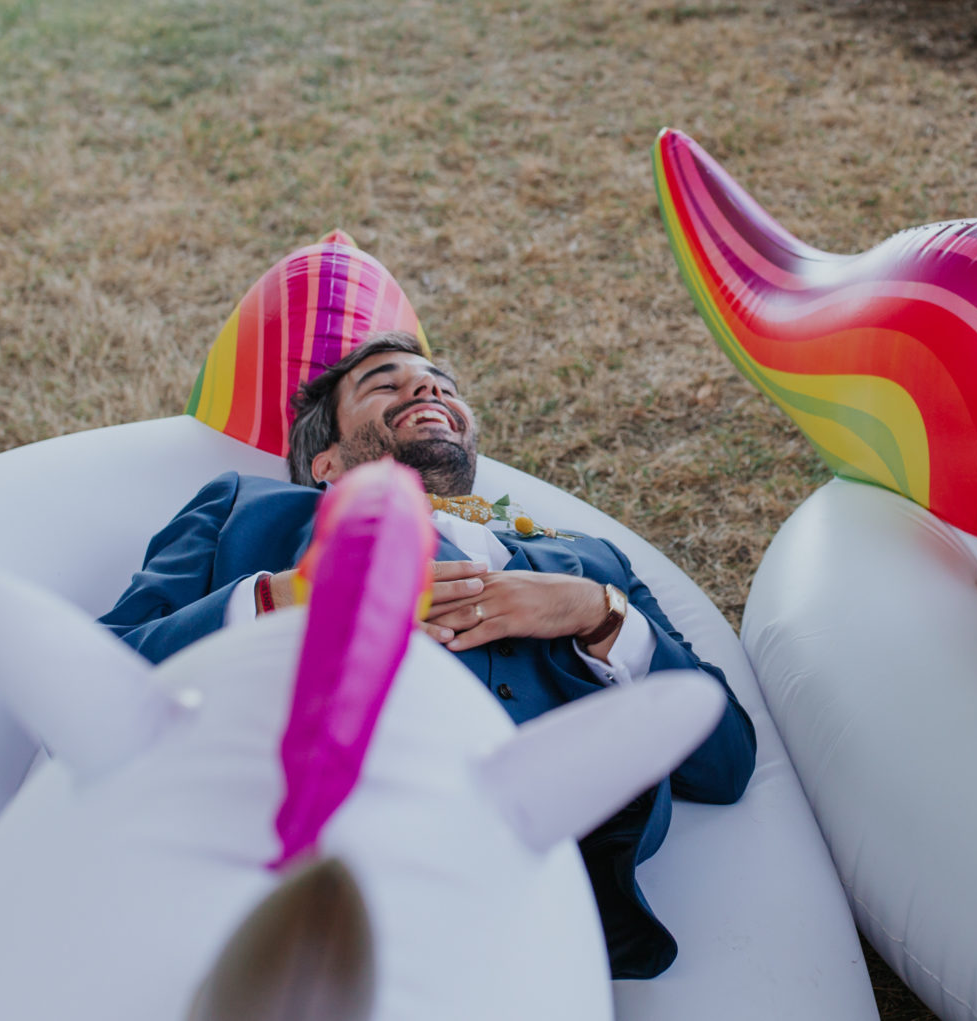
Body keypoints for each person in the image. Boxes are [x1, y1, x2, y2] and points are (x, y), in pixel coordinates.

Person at [97, 332, 757, 980]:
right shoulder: (244, 509)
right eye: (386, 382)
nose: (426, 387)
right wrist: (289, 598)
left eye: (442, 384)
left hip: (503, 927)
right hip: (274, 883)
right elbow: (104, 678)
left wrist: (595, 613)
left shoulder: (590, 561)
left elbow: (725, 763)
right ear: (323, 460)